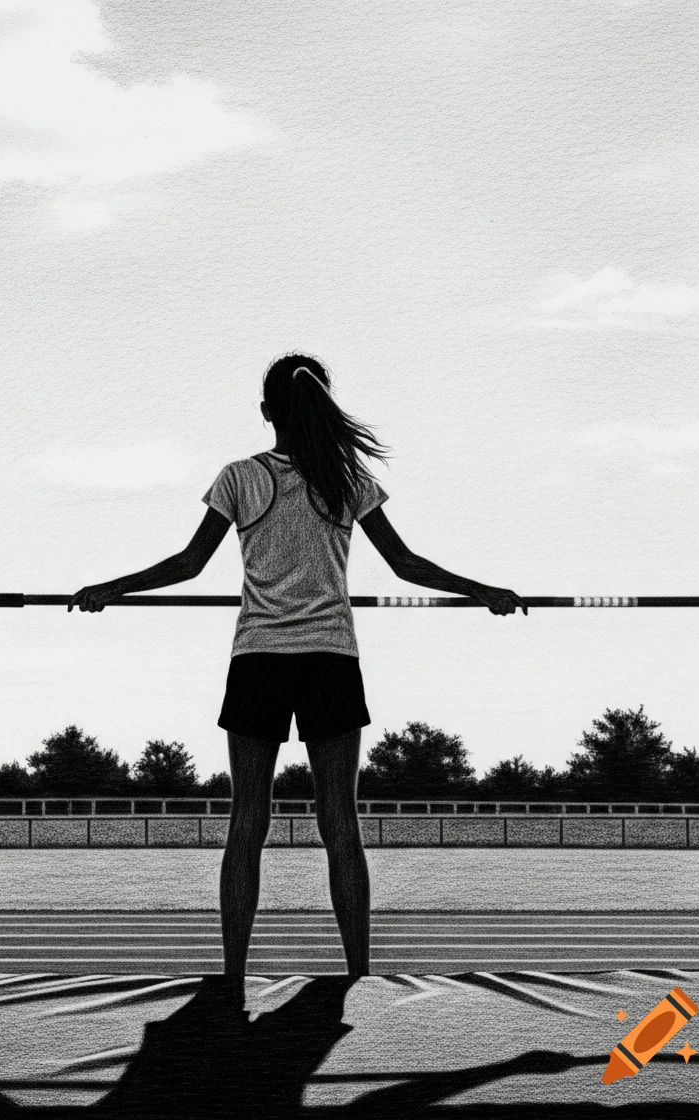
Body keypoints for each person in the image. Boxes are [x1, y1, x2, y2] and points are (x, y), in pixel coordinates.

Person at [69, 353, 526, 979]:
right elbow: (407, 565)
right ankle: (357, 974)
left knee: (247, 821)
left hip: (259, 660)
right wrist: (484, 592)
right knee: (340, 821)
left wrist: (109, 588)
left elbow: (188, 564)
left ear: (266, 412)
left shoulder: (242, 476)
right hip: (329, 660)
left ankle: (233, 977)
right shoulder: (346, 479)